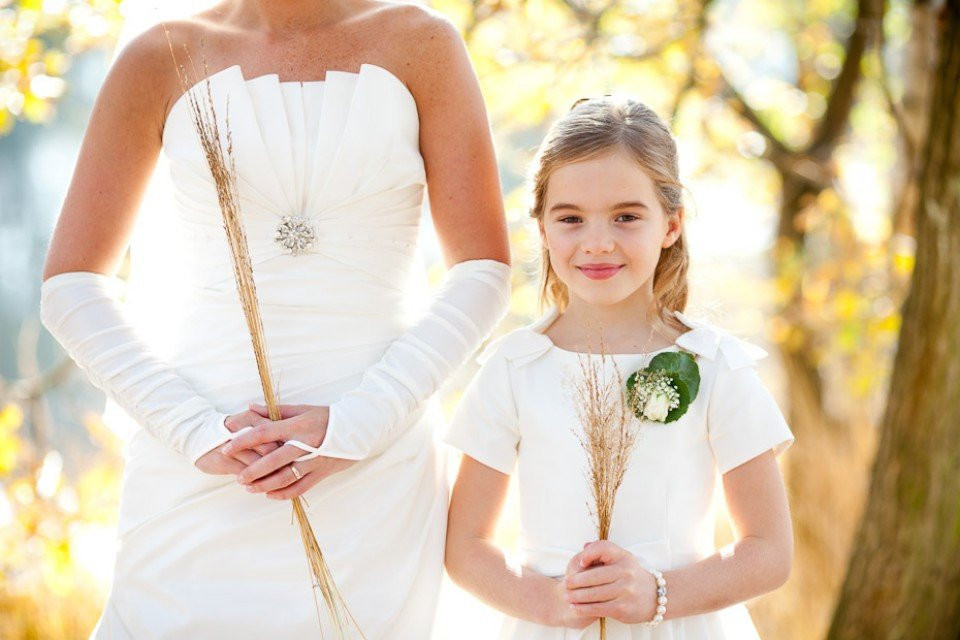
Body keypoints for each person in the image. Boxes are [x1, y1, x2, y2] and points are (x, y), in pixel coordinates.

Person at [38, 1, 510, 637]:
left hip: (374, 464)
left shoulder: (422, 43)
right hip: (201, 459)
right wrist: (196, 433)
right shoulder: (161, 54)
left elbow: (482, 273)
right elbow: (71, 287)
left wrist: (358, 426)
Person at [443, 96, 795, 639]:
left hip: (680, 625)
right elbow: (465, 547)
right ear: (542, 228)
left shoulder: (716, 365)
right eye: (571, 219)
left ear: (671, 225)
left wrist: (657, 594)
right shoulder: (514, 369)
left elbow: (769, 551)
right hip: (549, 625)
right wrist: (548, 602)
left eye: (627, 216)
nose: (598, 242)